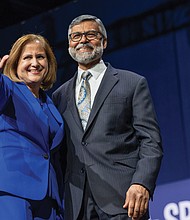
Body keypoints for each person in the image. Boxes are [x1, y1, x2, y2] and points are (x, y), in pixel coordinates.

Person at [52, 14, 163, 220]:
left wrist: (141, 183)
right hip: (77, 204)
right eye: (76, 36)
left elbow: (151, 141)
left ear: (104, 41)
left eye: (90, 34)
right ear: (69, 45)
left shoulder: (132, 83)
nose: (83, 40)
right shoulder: (59, 96)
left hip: (123, 199)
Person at [0, 34, 64, 220]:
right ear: (15, 64)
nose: (34, 63)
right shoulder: (9, 90)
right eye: (27, 57)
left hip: (49, 196)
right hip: (15, 190)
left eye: (40, 57)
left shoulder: (50, 104)